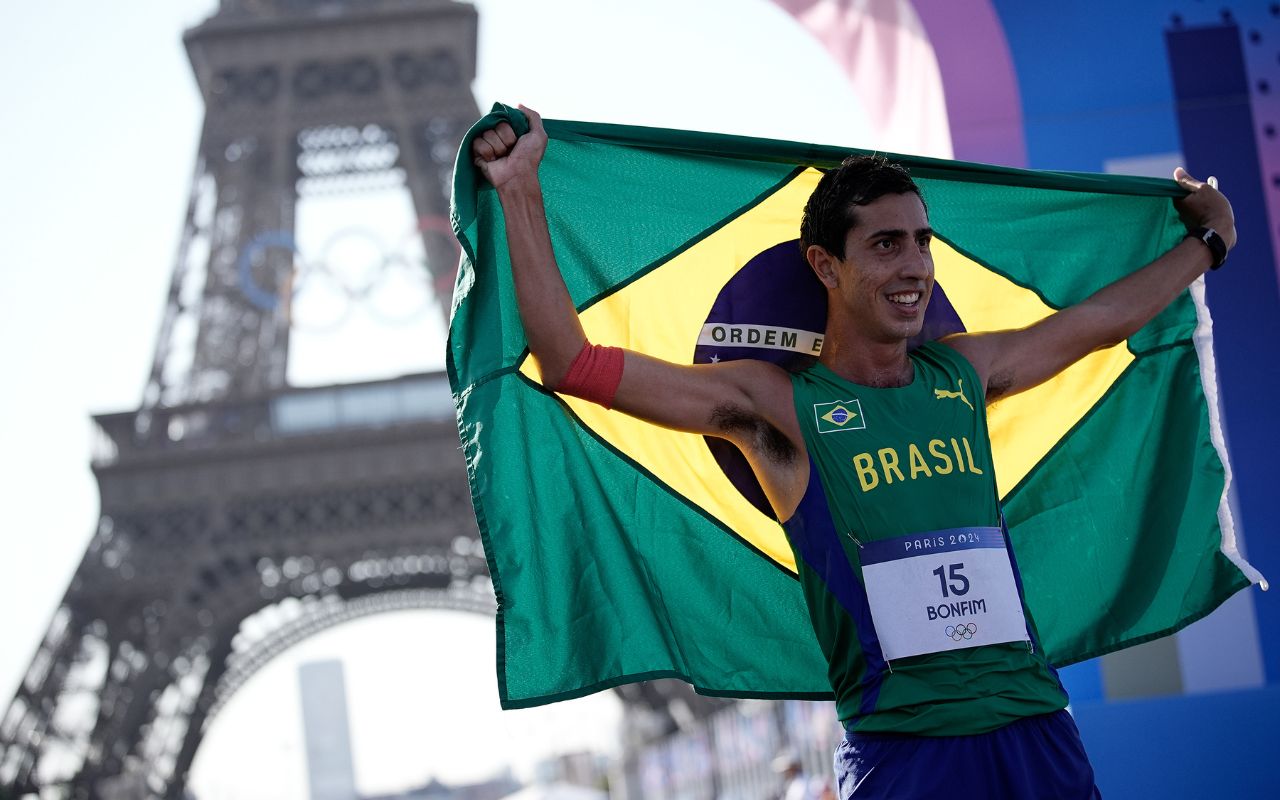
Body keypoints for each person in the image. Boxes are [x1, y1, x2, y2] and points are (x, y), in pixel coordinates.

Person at [470, 106, 1235, 799]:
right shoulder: (775, 406)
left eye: (922, 242)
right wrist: (518, 189)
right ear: (825, 266)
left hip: (1035, 724)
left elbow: (1099, 321)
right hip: (908, 753)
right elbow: (571, 362)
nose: (914, 266)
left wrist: (1208, 244)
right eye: (886, 244)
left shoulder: (963, 374)